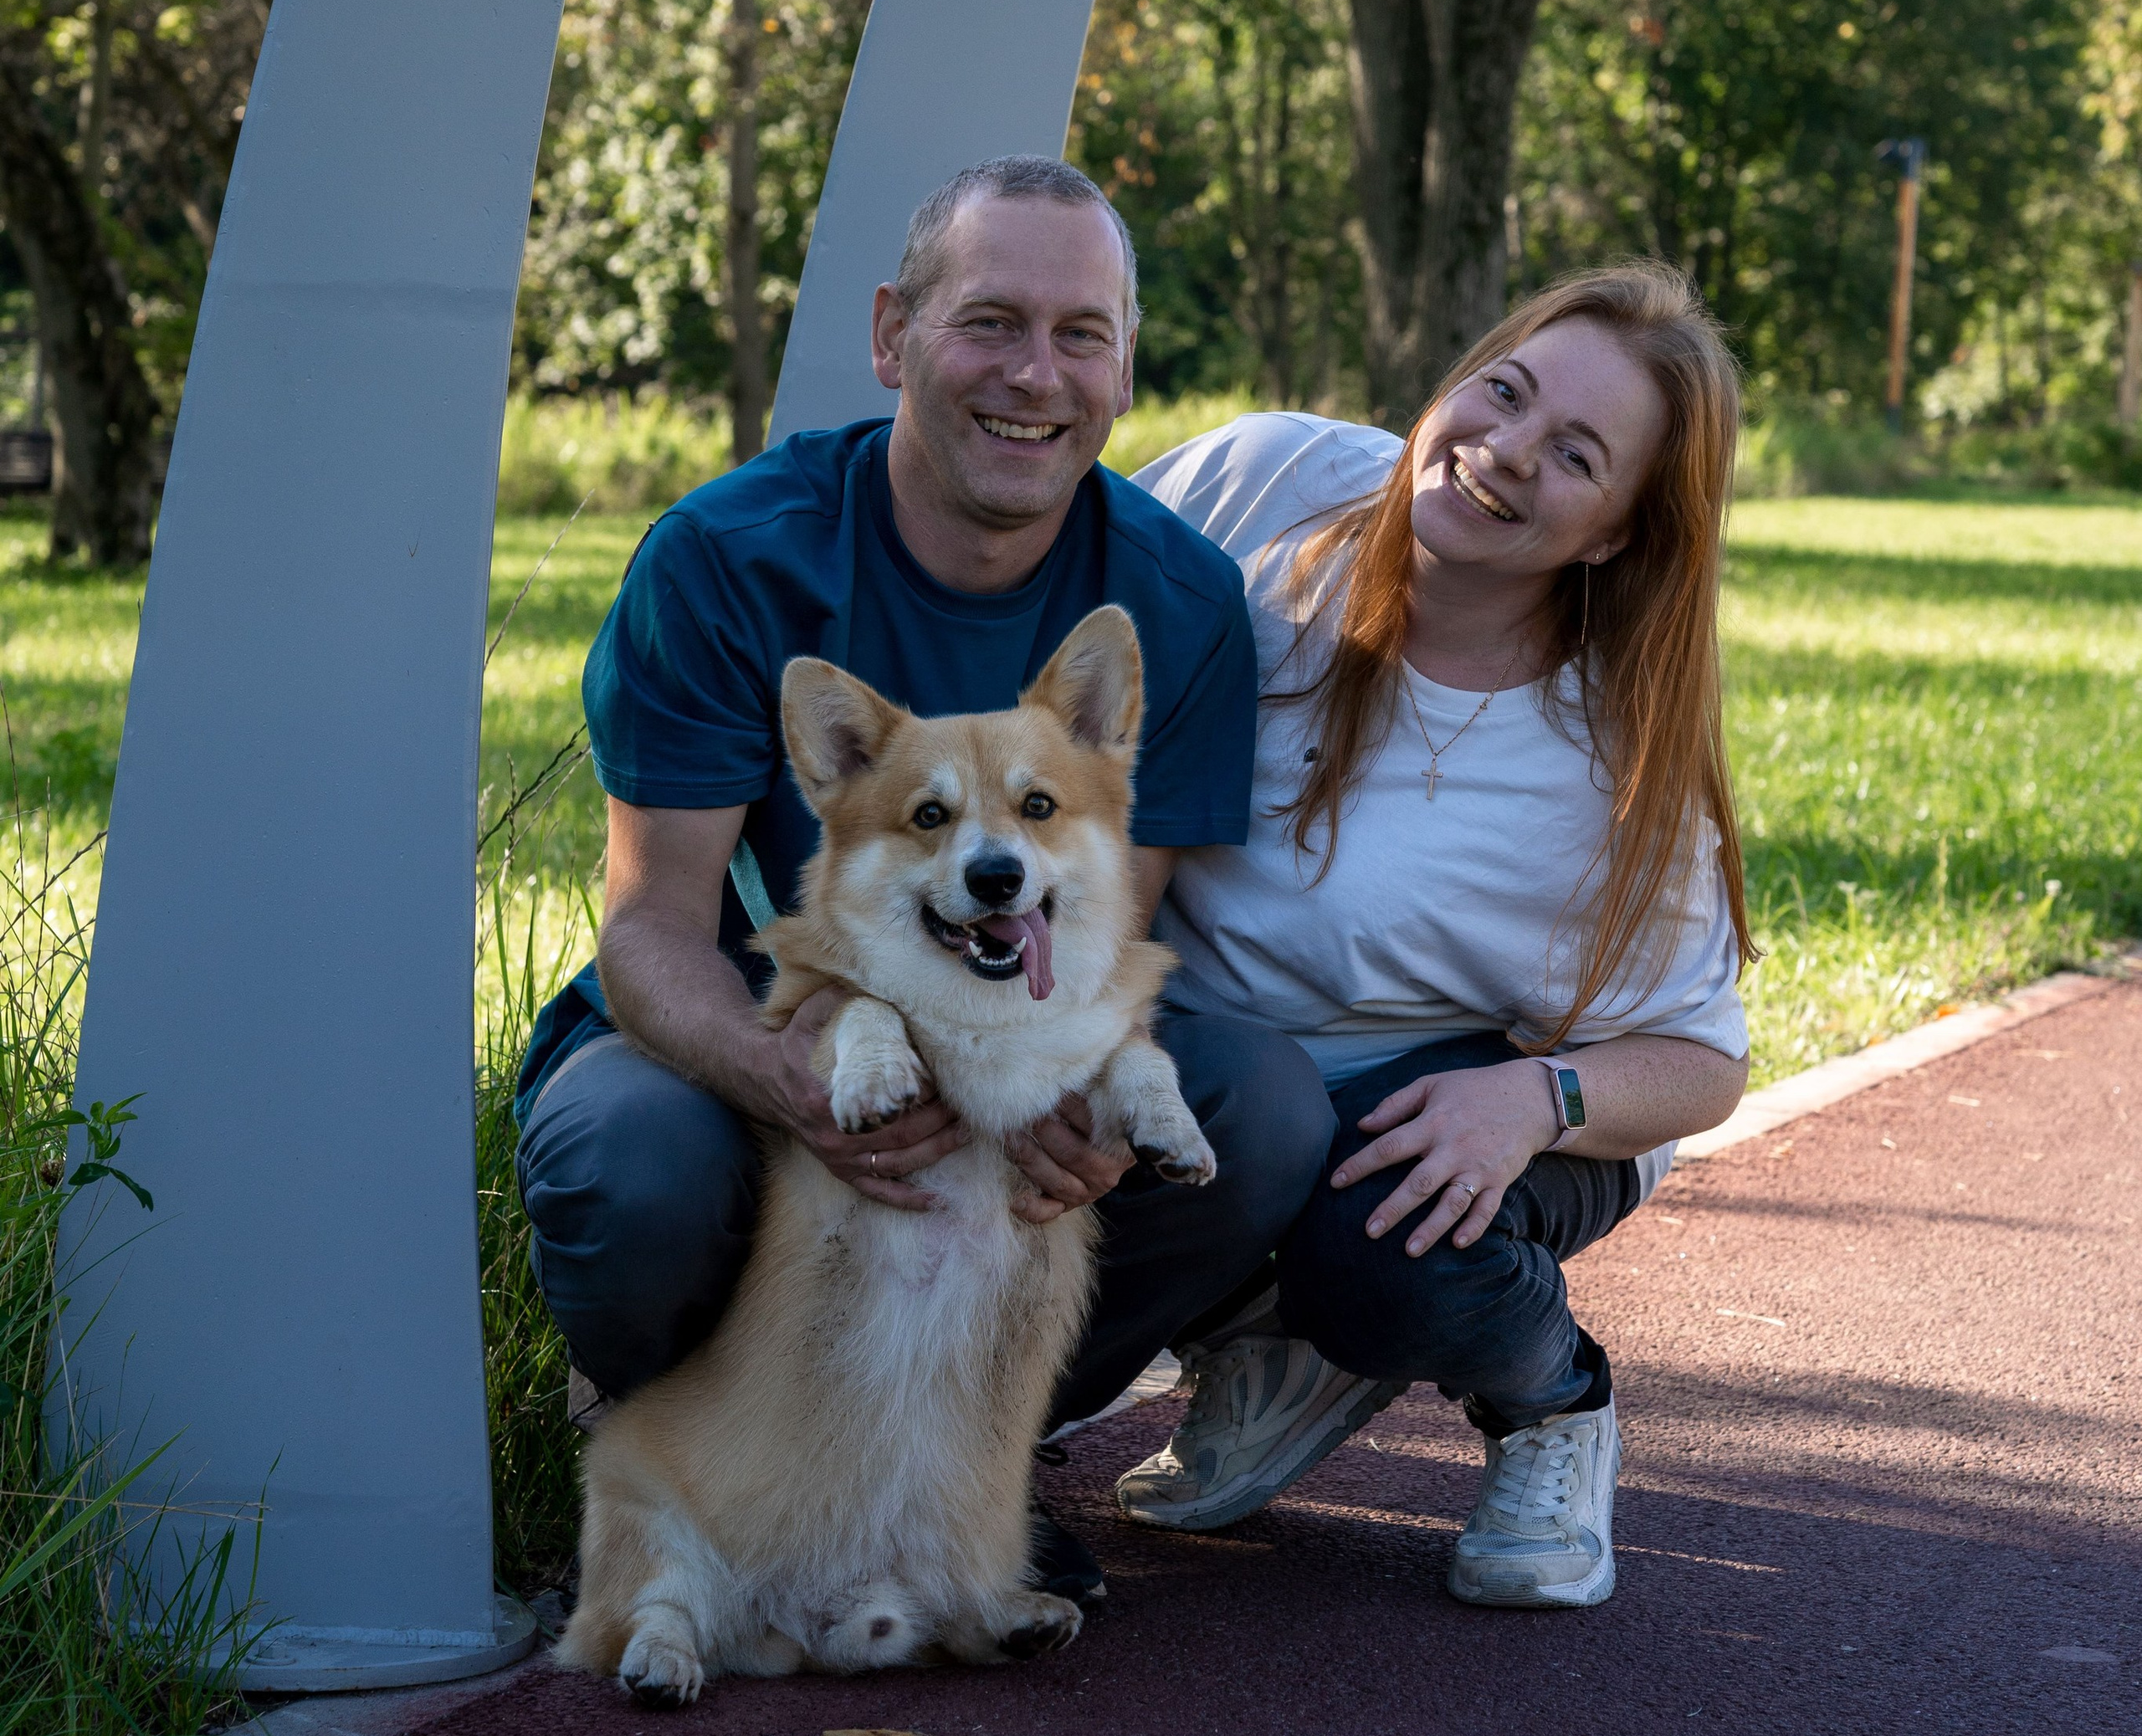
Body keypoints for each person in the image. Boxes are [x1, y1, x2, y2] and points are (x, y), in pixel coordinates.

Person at [514, 156, 1335, 1603]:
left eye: (1082, 335)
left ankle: (967, 1468)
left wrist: (1078, 1118)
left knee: (1256, 1110)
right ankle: (693, 1464)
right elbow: (651, 927)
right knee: (629, 1160)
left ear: (1124, 367)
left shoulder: (1176, 600)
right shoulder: (722, 561)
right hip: (746, 1035)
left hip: (1007, 1035)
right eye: (991, 323)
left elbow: (1103, 937)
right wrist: (796, 1081)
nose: (1036, 375)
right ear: (895, 335)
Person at [1114, 263, 1753, 1610]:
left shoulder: (1611, 763)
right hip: (1221, 1078)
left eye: (1575, 456)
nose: (1505, 451)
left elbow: (1701, 1065)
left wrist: (1534, 1101)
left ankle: (1553, 1404)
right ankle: (1262, 1344)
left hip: (1483, 1102)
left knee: (1389, 1248)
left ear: (1614, 537)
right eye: (1503, 393)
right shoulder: (1262, 486)